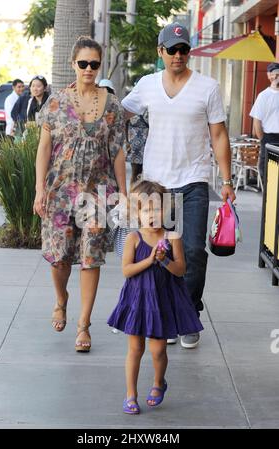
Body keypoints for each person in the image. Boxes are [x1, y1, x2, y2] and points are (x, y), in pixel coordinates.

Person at [121, 22, 235, 348]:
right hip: (159, 187)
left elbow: (219, 135)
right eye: (172, 50)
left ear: (190, 52)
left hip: (194, 181)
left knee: (195, 252)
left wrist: (226, 181)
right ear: (160, 52)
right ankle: (169, 314)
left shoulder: (207, 87)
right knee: (165, 252)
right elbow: (119, 114)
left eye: (184, 49)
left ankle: (188, 315)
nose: (178, 55)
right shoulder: (146, 85)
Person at [33, 36, 126, 353]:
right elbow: (44, 149)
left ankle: (84, 326)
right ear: (73, 64)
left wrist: (123, 194)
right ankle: (61, 299)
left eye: (94, 64)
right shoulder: (56, 102)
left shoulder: (111, 105)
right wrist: (39, 189)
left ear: (100, 66)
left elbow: (118, 153)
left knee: (90, 259)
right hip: (60, 192)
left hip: (98, 193)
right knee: (60, 260)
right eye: (83, 63)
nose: (89, 69)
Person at [107, 180, 203, 414]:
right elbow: (126, 271)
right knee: (135, 348)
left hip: (161, 301)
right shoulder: (134, 239)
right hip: (138, 300)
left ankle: (159, 382)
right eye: (146, 209)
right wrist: (149, 260)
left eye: (157, 208)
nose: (152, 214)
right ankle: (131, 394)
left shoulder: (172, 237)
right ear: (137, 213)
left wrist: (165, 261)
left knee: (158, 350)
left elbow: (181, 270)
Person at [250, 62, 279, 183]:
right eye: (273, 74)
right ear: (269, 76)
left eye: (278, 74)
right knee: (267, 172)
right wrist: (263, 139)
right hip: (269, 138)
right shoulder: (263, 96)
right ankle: (269, 200)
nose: (276, 77)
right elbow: (257, 121)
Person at [126, 111, 148, 187]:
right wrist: (127, 142)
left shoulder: (152, 102)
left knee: (150, 175)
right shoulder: (131, 103)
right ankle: (133, 196)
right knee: (136, 173)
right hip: (135, 147)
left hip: (150, 145)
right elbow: (125, 123)